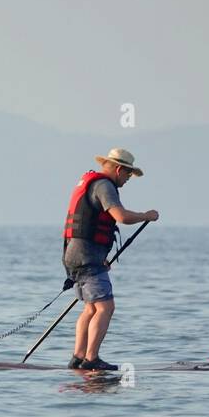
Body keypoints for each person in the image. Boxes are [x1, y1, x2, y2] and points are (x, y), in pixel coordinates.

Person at [61, 147, 159, 371]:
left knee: (91, 309)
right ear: (118, 169)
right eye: (128, 175)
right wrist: (147, 216)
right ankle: (91, 358)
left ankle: (78, 357)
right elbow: (121, 217)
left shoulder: (90, 183)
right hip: (86, 257)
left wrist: (99, 257)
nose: (127, 180)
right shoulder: (105, 186)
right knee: (106, 307)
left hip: (74, 256)